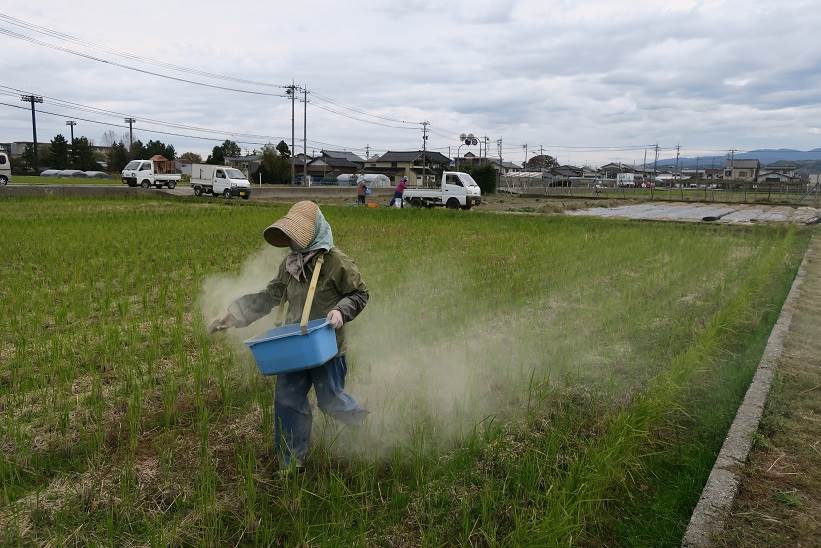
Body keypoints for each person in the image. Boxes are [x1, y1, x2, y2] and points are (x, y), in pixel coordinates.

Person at [209, 201, 369, 471]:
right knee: (287, 401)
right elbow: (271, 295)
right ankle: (291, 463)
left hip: (326, 347)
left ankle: (363, 425)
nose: (293, 242)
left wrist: (341, 311)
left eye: (298, 235)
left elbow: (360, 294)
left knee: (331, 401)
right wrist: (233, 315)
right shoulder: (290, 265)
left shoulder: (337, 263)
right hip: (295, 347)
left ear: (314, 231)